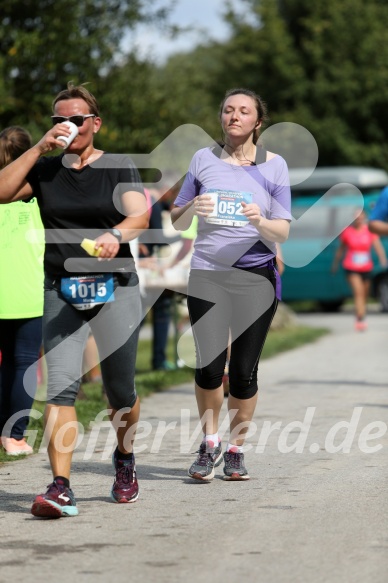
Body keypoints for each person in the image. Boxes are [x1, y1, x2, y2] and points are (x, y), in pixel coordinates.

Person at [0, 83, 148, 517]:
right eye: (58, 120)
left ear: (95, 123)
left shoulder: (118, 166)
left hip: (115, 285)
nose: (68, 126)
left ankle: (124, 458)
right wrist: (39, 149)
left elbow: (139, 214)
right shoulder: (44, 172)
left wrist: (115, 235)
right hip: (60, 289)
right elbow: (3, 191)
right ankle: (60, 486)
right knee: (60, 389)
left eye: (77, 119)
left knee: (120, 390)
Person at [171, 88, 292, 481]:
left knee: (243, 372)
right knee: (208, 367)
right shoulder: (202, 160)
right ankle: (210, 444)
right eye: (228, 110)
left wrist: (260, 221)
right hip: (208, 273)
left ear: (258, 122)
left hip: (255, 276)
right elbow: (175, 217)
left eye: (243, 111)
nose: (233, 116)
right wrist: (193, 206)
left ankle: (236, 450)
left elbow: (283, 232)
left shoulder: (274, 166)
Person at [0, 127, 44, 455]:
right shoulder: (40, 192)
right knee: (25, 363)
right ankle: (14, 436)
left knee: (5, 365)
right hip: (28, 290)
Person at [332, 209, 386, 330]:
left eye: (360, 217)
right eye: (356, 218)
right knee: (358, 292)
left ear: (364, 218)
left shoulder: (369, 231)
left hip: (366, 267)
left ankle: (362, 314)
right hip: (351, 267)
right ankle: (360, 318)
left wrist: (382, 259)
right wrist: (335, 264)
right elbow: (341, 249)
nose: (358, 220)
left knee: (365, 294)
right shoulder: (347, 232)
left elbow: (377, 246)